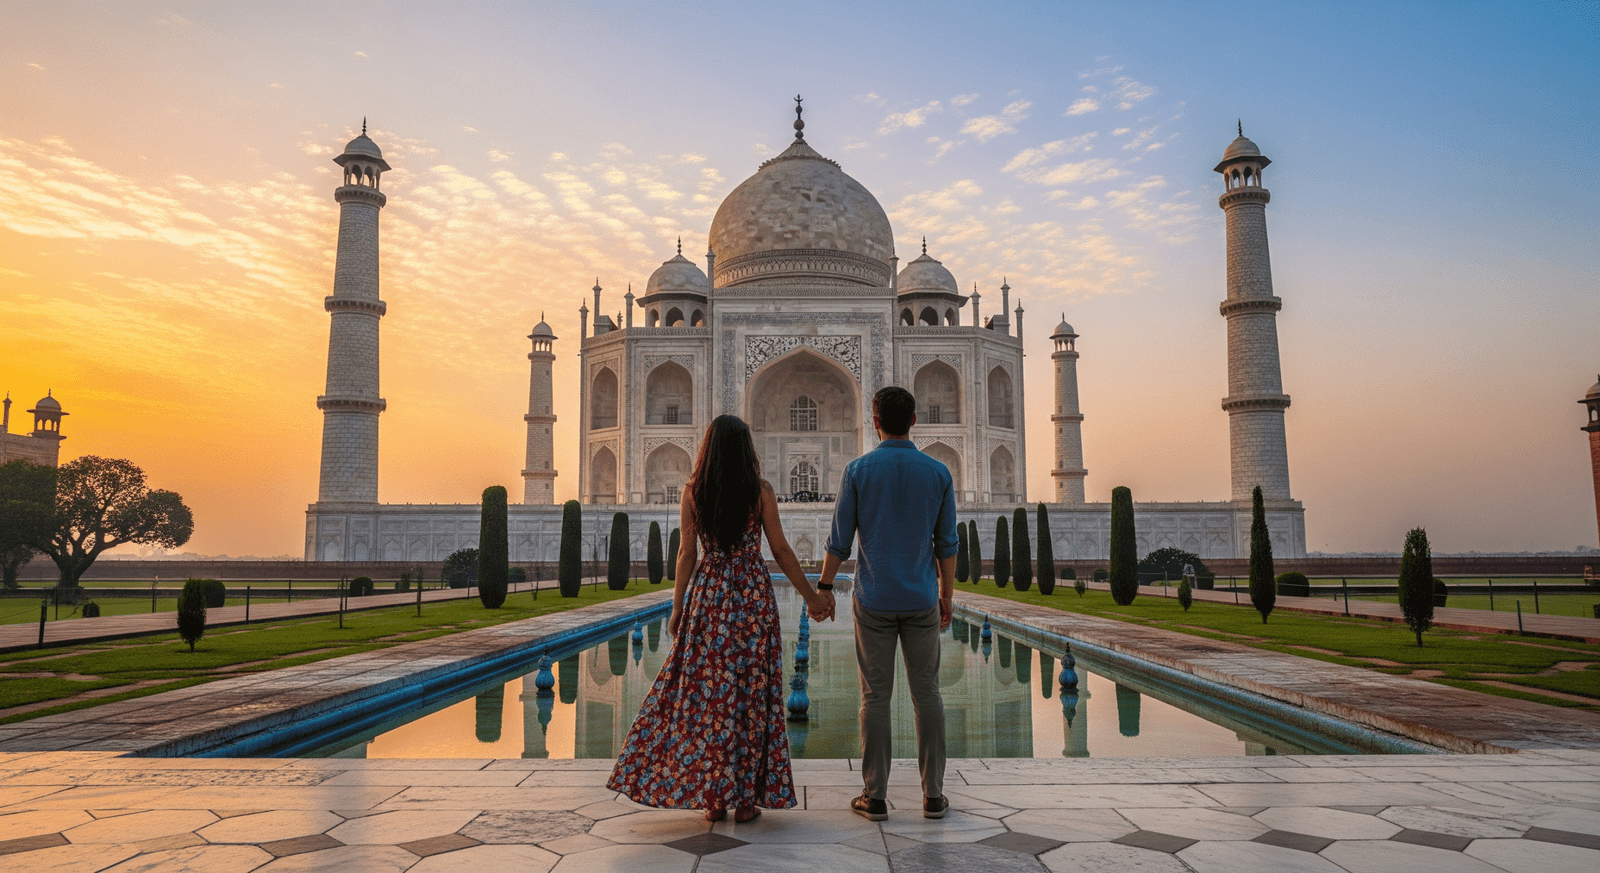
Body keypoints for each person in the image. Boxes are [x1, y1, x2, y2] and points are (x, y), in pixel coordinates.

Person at [608, 414, 833, 824]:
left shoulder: (694, 491)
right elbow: (781, 550)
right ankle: (747, 800)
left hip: (710, 594)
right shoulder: (759, 491)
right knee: (751, 695)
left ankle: (713, 797)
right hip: (750, 595)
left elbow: (686, 554)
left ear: (707, 448)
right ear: (746, 449)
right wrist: (812, 597)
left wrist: (678, 607)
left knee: (708, 696)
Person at [815, 386, 958, 821]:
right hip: (920, 598)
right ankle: (933, 796)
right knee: (927, 694)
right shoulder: (937, 472)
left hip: (873, 597)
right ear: (914, 420)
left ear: (874, 421)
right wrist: (946, 595)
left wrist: (823, 588)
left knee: (875, 697)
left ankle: (874, 797)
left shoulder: (859, 470)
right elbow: (947, 544)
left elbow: (839, 541)